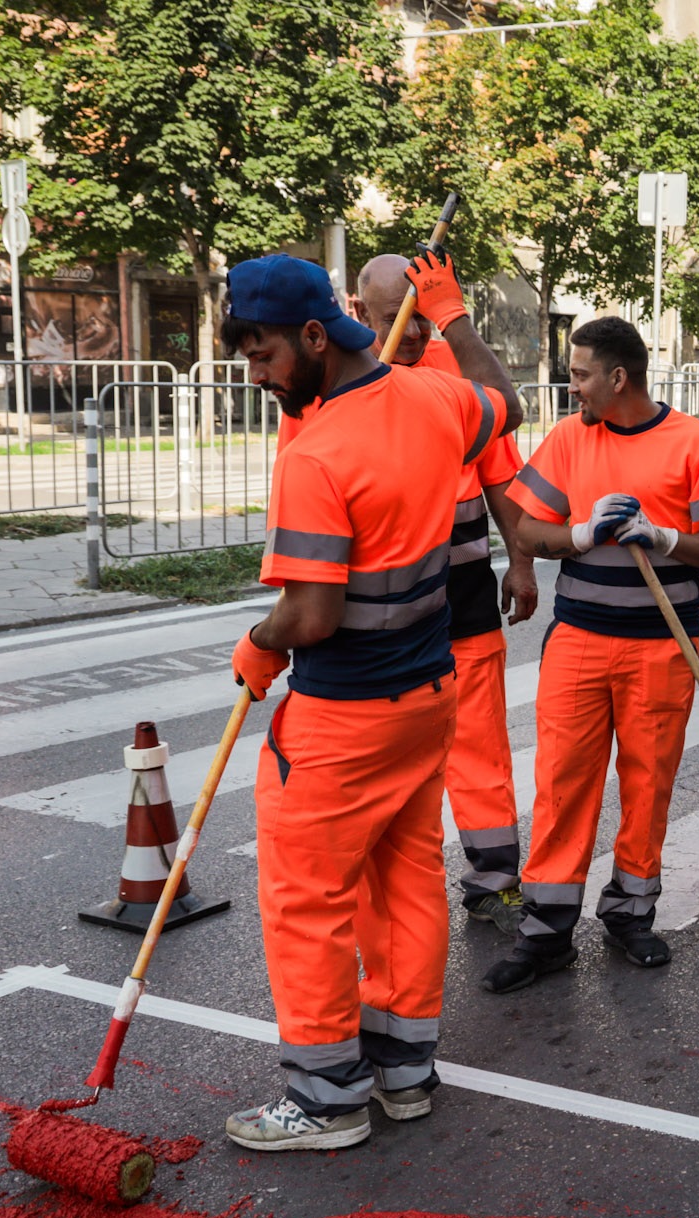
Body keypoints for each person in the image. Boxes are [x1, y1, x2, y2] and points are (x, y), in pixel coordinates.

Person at [221, 251, 520, 1149]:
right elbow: (502, 396)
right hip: (428, 694)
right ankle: (404, 1070)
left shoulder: (316, 453)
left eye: (264, 354)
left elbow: (310, 612)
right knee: (406, 881)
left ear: (316, 335)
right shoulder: (433, 399)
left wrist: (257, 643)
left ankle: (324, 1098)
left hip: (344, 716)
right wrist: (455, 316)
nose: (256, 374)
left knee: (307, 898)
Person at [279, 253, 540, 936]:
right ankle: (381, 882)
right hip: (367, 613)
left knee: (479, 738)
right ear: (358, 315)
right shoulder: (321, 394)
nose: (418, 333)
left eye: (424, 317)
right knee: (389, 763)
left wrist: (522, 563)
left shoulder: (454, 375)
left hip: (462, 586)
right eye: (400, 320)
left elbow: (500, 475)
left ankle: (493, 875)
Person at [491, 317, 699, 992]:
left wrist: (664, 537)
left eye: (578, 374)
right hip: (578, 638)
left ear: (617, 377)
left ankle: (631, 913)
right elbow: (525, 526)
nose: (570, 385)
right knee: (562, 781)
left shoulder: (693, 442)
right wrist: (577, 533)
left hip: (661, 648)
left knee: (647, 783)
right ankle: (546, 929)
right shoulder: (570, 439)